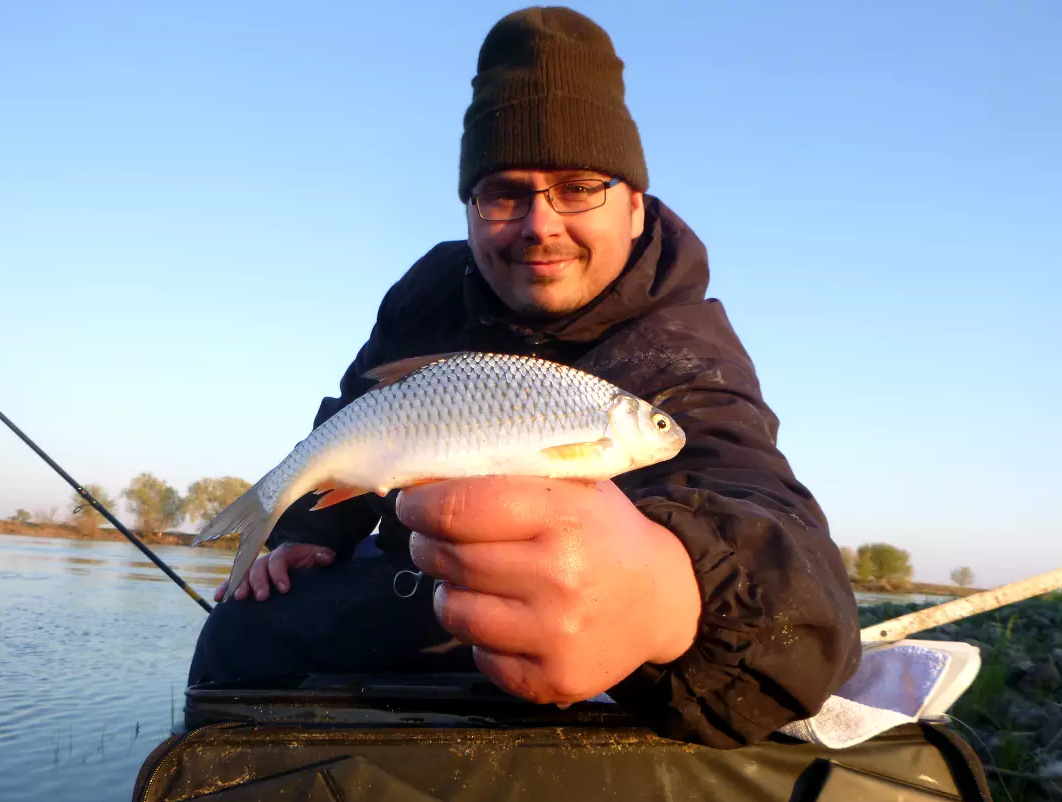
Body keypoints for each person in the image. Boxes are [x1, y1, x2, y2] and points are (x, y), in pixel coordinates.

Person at [187, 5, 860, 750]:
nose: (540, 224)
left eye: (578, 187)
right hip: (412, 566)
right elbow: (364, 413)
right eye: (505, 192)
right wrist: (315, 527)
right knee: (239, 634)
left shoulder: (682, 344)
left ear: (634, 205)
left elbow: (771, 525)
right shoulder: (432, 290)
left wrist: (671, 596)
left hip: (575, 626)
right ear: (471, 208)